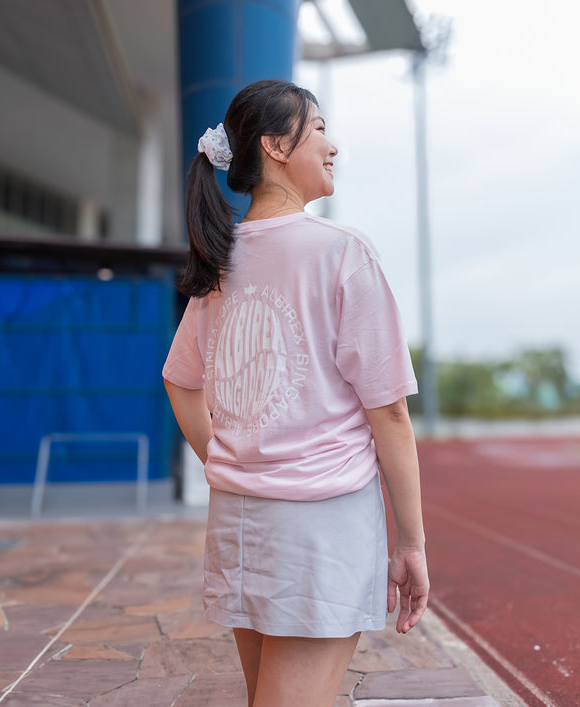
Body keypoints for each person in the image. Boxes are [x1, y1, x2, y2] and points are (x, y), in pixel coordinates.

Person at [162, 79, 429, 707]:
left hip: (239, 520)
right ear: (277, 145)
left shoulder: (221, 261)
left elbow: (180, 381)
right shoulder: (341, 252)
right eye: (319, 130)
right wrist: (412, 543)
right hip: (319, 524)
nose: (333, 146)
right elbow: (388, 410)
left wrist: (229, 459)